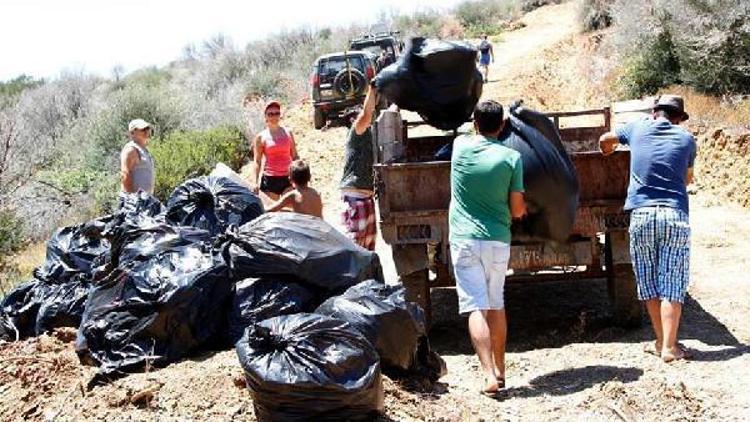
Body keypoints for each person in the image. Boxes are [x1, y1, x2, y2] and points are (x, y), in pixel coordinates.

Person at [599, 94, 697, 363]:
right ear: (678, 119)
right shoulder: (687, 139)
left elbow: (606, 139)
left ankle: (659, 341)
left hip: (641, 215)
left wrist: (606, 150)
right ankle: (669, 346)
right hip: (673, 215)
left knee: (649, 283)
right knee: (672, 284)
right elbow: (687, 179)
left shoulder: (638, 126)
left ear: (655, 113)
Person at [449, 100, 526, 395]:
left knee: (475, 306)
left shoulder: (459, 147)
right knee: (496, 304)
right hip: (498, 240)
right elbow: (517, 209)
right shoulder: (511, 158)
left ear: (475, 123)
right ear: (503, 127)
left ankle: (487, 375)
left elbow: (466, 133)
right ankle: (501, 371)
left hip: (465, 240)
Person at [340, 84, 379, 251]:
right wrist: (372, 87)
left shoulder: (366, 136)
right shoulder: (356, 132)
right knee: (355, 249)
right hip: (355, 199)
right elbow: (367, 113)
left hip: (365, 198)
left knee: (368, 250)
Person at [250, 100, 299, 200]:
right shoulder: (261, 137)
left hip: (288, 177)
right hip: (270, 179)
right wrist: (254, 182)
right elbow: (257, 161)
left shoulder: (288, 133)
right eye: (270, 114)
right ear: (266, 116)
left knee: (292, 211)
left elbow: (295, 156)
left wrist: (302, 175)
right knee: (273, 212)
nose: (274, 117)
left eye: (277, 113)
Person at [120, 118, 155, 195]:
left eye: (147, 128)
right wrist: (132, 200)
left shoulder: (144, 149)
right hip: (134, 202)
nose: (146, 131)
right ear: (132, 133)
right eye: (142, 129)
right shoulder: (131, 150)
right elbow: (125, 175)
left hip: (144, 201)